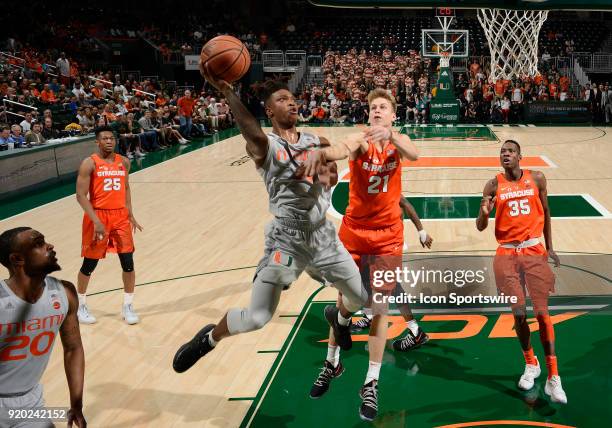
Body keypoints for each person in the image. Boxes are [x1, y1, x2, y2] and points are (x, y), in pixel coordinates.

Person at [172, 72, 368, 374]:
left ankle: (339, 321)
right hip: (287, 239)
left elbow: (333, 163)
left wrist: (327, 173)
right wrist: (228, 92)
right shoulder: (267, 146)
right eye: (281, 100)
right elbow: (251, 133)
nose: (290, 103)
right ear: (269, 110)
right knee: (258, 317)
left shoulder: (317, 140)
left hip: (323, 236)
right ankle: (209, 338)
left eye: (291, 99)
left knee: (359, 296)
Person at [302, 88, 418, 420]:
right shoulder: (360, 141)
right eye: (373, 108)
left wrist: (393, 136)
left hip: (387, 238)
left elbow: (415, 154)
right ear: (368, 115)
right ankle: (332, 363)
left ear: (393, 115)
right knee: (347, 302)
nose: (378, 111)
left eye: (384, 107)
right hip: (354, 233)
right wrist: (325, 155)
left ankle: (370, 383)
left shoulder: (400, 140)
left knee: (379, 307)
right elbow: (343, 147)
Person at [476, 140, 566, 404]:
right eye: (502, 152)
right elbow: (480, 226)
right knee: (518, 315)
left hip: (533, 251)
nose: (505, 154)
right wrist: (483, 213)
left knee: (542, 314)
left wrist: (550, 247)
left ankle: (553, 378)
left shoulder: (537, 178)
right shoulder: (492, 185)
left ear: (520, 157)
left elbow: (547, 212)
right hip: (506, 254)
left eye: (510, 151)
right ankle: (531, 363)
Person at [0, 227, 86, 427]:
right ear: (17, 259)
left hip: (30, 402)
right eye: (38, 244)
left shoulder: (64, 292)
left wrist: (76, 404)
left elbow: (73, 349)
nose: (50, 246)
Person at [75, 126, 143, 325]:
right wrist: (95, 221)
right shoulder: (89, 163)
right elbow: (80, 196)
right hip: (98, 216)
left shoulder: (124, 161)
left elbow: (126, 187)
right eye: (104, 138)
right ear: (97, 142)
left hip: (120, 216)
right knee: (89, 264)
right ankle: (81, 305)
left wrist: (130, 213)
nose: (109, 141)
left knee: (128, 262)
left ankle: (128, 306)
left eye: (111, 138)